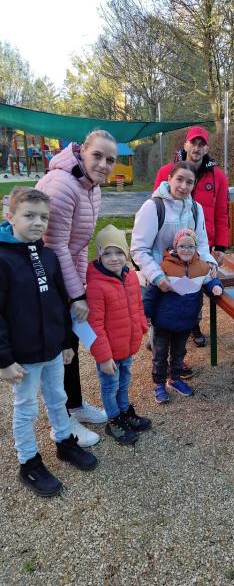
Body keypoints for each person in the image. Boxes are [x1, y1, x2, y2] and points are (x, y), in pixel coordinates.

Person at [0, 187, 97, 498]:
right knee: (26, 408)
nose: (38, 223)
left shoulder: (48, 256)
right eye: (29, 215)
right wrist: (4, 359)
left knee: (58, 398)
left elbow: (59, 303)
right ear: (10, 216)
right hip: (23, 356)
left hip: (53, 349)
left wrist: (66, 342)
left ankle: (64, 441)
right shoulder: (3, 260)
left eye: (43, 217)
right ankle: (28, 461)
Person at [36, 130, 118, 447]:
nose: (103, 164)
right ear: (83, 151)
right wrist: (76, 295)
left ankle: (75, 404)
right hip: (46, 279)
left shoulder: (91, 187)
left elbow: (80, 244)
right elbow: (55, 246)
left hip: (64, 276)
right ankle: (62, 421)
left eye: (110, 160)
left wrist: (81, 286)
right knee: (58, 352)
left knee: (71, 342)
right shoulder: (62, 185)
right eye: (97, 155)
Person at [154, 126, 229, 347]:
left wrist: (220, 246)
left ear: (207, 148)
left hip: (202, 242)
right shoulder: (167, 171)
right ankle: (161, 330)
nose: (196, 148)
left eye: (201, 144)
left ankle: (193, 325)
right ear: (186, 144)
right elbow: (156, 205)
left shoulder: (218, 177)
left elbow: (222, 212)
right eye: (193, 143)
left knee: (195, 286)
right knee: (170, 285)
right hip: (172, 242)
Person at [86, 225, 151, 445]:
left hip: (126, 346)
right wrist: (104, 357)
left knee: (124, 382)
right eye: (107, 253)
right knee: (110, 386)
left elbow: (137, 304)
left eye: (119, 252)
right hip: (109, 353)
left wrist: (141, 326)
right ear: (99, 255)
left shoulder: (130, 276)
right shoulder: (96, 285)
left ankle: (124, 411)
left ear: (126, 254)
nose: (114, 258)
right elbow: (94, 325)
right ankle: (114, 419)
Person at [143, 228, 223, 403]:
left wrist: (216, 286)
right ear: (175, 247)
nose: (186, 250)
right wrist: (146, 313)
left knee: (179, 352)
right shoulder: (164, 267)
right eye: (182, 246)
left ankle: (175, 379)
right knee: (160, 355)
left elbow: (210, 280)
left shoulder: (201, 267)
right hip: (163, 321)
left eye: (190, 246)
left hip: (186, 320)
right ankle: (159, 384)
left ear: (196, 248)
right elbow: (150, 293)